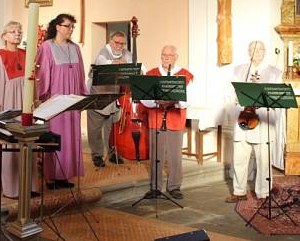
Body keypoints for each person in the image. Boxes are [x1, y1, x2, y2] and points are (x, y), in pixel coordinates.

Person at [225, 41, 283, 203]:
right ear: (248, 52)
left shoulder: (274, 72)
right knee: (239, 158)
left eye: (259, 49)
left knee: (263, 159)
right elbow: (228, 93)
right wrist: (234, 98)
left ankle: (263, 192)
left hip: (262, 121)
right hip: (243, 118)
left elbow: (277, 97)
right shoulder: (238, 70)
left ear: (265, 52)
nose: (256, 52)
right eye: (252, 49)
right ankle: (239, 191)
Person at [0, 21, 39, 199]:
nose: (17, 34)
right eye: (12, 31)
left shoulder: (27, 54)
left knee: (27, 143)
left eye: (19, 31)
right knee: (11, 144)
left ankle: (29, 186)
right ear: (4, 36)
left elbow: (33, 80)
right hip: (8, 104)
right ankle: (12, 188)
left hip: (25, 104)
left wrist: (35, 101)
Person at [35, 14, 88, 190]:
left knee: (71, 137)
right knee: (56, 137)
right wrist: (44, 97)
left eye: (73, 26)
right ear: (57, 27)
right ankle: (52, 177)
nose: (71, 29)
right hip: (56, 100)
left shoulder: (75, 48)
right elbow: (43, 73)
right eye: (68, 26)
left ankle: (64, 175)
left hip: (72, 100)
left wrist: (82, 96)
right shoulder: (47, 47)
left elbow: (80, 73)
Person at [140, 45, 193, 200]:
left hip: (175, 119)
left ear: (176, 57)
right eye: (164, 55)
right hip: (156, 118)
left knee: (175, 155)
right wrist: (156, 101)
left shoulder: (185, 75)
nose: (166, 58)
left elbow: (188, 100)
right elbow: (144, 99)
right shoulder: (151, 74)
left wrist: (175, 101)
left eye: (170, 55)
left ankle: (174, 186)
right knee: (155, 154)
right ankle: (155, 187)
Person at [87, 31, 132, 168]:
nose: (119, 46)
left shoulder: (126, 52)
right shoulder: (103, 51)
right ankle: (97, 155)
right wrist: (118, 62)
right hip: (98, 94)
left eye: (122, 43)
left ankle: (113, 153)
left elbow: (131, 65)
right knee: (95, 128)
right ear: (110, 41)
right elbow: (103, 64)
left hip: (114, 94)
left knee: (111, 128)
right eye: (117, 43)